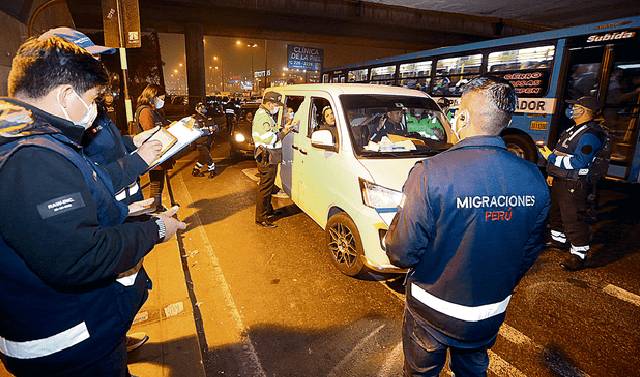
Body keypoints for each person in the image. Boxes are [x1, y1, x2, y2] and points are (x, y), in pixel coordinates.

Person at [0, 35, 186, 377]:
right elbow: (79, 257)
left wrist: (122, 212)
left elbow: (56, 224)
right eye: (93, 99)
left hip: (70, 334)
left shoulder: (36, 142)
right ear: (66, 95)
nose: (97, 108)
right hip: (68, 345)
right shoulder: (34, 159)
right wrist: (157, 229)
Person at [385, 76, 550, 377]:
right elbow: (529, 250)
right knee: (473, 370)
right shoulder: (533, 178)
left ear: (461, 116)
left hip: (431, 310)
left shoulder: (430, 173)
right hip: (488, 311)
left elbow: (401, 251)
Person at [39, 27, 166, 353]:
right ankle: (114, 342)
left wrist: (134, 142)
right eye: (92, 60)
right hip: (109, 222)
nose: (100, 69)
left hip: (121, 213)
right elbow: (91, 183)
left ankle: (117, 341)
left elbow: (110, 146)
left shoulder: (87, 115)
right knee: (126, 289)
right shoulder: (52, 144)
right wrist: (156, 228)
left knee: (132, 286)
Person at [538, 96, 609, 271]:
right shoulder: (572, 130)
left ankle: (578, 254)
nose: (571, 109)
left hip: (574, 182)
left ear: (584, 111)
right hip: (561, 179)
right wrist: (552, 173)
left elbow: (579, 162)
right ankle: (558, 239)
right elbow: (562, 151)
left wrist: (551, 158)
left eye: (575, 106)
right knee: (556, 212)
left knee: (573, 218)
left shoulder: (592, 134)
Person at [252, 92, 295, 228]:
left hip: (269, 155)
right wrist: (284, 133)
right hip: (266, 156)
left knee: (268, 186)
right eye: (276, 105)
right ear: (269, 104)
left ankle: (267, 210)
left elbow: (272, 130)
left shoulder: (266, 115)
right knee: (265, 188)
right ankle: (261, 217)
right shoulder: (262, 116)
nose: (277, 107)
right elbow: (270, 138)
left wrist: (283, 127)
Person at [135, 84, 172, 213]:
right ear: (153, 97)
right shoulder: (145, 111)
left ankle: (157, 206)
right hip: (154, 154)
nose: (162, 101)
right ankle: (155, 210)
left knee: (158, 182)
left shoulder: (153, 110)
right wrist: (169, 130)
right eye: (161, 98)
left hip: (158, 153)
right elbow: (150, 132)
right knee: (156, 184)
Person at [191, 102, 218, 178]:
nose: (203, 109)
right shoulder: (194, 119)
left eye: (203, 107)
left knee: (203, 157)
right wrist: (209, 130)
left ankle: (195, 170)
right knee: (207, 156)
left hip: (208, 140)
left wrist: (213, 129)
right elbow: (196, 131)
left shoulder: (207, 117)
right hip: (200, 141)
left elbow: (215, 128)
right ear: (197, 109)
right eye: (201, 107)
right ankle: (212, 170)